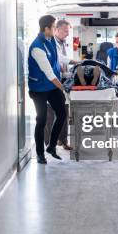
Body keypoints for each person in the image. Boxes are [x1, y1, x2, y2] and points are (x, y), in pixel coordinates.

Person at [28, 15, 66, 164]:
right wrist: (63, 88)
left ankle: (51, 146)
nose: (55, 28)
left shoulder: (50, 41)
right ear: (47, 29)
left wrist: (73, 62)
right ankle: (40, 153)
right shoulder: (37, 47)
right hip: (39, 89)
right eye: (54, 26)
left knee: (62, 113)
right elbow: (49, 73)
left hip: (50, 87)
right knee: (41, 119)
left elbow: (57, 60)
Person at [44, 20, 75, 151]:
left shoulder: (64, 43)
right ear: (56, 29)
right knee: (49, 113)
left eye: (68, 31)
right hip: (51, 82)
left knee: (64, 110)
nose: (68, 34)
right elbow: (58, 58)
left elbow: (63, 62)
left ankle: (63, 140)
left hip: (63, 81)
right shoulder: (49, 43)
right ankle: (47, 143)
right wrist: (73, 62)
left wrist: (69, 74)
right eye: (65, 31)